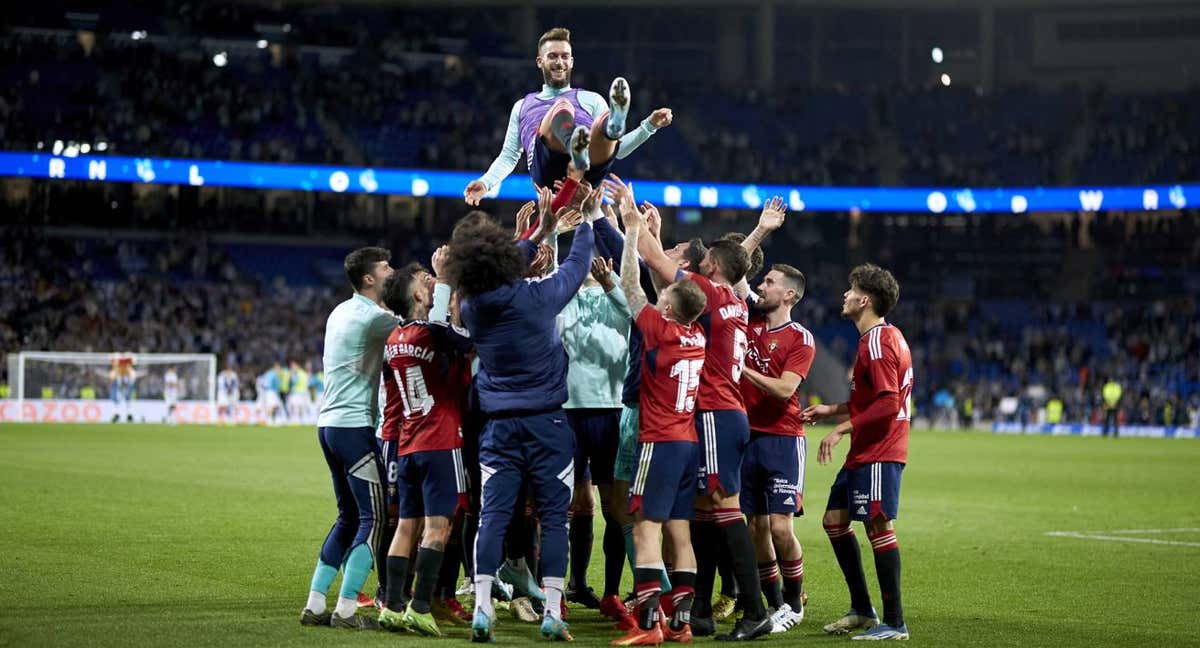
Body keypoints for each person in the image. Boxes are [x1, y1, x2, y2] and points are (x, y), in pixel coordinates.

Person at [615, 173, 775, 640]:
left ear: (715, 273)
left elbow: (649, 263)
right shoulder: (736, 301)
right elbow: (728, 264)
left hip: (711, 413)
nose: (699, 265)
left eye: (704, 262)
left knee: (724, 509)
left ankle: (755, 607)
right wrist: (759, 231)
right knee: (700, 513)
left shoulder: (711, 295)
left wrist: (631, 217)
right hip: (725, 413)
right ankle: (697, 609)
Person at [443, 202, 591, 642]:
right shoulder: (539, 297)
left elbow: (503, 267)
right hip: (547, 425)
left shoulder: (472, 306)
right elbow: (578, 266)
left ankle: (484, 607)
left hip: (498, 428)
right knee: (554, 519)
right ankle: (551, 611)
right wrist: (583, 222)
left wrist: (540, 230)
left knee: (493, 516)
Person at [609, 175, 708, 646]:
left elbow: (630, 285)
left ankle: (650, 628)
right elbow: (652, 288)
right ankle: (683, 622)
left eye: (664, 295)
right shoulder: (694, 334)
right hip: (689, 445)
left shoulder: (660, 330)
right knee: (680, 533)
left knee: (644, 527)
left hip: (660, 441)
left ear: (668, 304)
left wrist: (631, 230)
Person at [802, 263, 912, 641]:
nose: (844, 295)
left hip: (880, 450)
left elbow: (887, 403)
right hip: (864, 451)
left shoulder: (880, 341)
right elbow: (868, 400)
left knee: (878, 526)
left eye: (850, 290)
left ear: (864, 299)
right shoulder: (873, 340)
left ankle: (894, 622)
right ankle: (863, 610)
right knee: (834, 521)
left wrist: (840, 430)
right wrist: (831, 410)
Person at [300, 247, 397, 631]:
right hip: (355, 427)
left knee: (349, 516)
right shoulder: (374, 319)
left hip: (328, 425)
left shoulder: (340, 311)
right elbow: (420, 331)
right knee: (374, 518)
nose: (393, 271)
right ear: (369, 279)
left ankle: (315, 602)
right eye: (386, 267)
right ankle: (345, 610)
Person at [463, 26, 672, 204]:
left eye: (564, 57)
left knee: (602, 126)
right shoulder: (523, 105)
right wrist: (486, 182)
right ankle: (577, 147)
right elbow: (509, 156)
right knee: (562, 106)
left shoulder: (592, 99)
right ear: (539, 61)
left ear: (572, 62)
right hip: (547, 171)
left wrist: (649, 126)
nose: (559, 62)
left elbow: (618, 151)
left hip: (587, 172)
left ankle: (613, 126)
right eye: (552, 56)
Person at [376, 262, 473, 636]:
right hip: (440, 440)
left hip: (409, 444)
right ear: (418, 296)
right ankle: (419, 606)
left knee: (405, 527)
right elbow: (466, 343)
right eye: (424, 282)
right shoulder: (431, 332)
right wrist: (447, 276)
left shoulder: (394, 339)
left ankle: (392, 606)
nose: (430, 283)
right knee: (438, 529)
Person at [739, 264, 815, 635]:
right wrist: (763, 229)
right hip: (746, 436)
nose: (760, 286)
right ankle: (775, 604)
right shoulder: (749, 321)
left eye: (769, 282)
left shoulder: (800, 338)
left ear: (789, 295)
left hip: (783, 439)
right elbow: (735, 274)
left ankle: (795, 603)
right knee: (756, 528)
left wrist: (741, 369)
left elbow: (785, 390)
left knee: (780, 527)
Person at [559, 250, 632, 611]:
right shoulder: (565, 295)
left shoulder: (617, 294)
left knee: (614, 506)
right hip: (568, 411)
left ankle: (612, 593)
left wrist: (610, 283)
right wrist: (553, 231)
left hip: (610, 410)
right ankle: (570, 585)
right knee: (565, 503)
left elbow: (631, 314)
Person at [109, 352, 137, 423]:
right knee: (121, 399)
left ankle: (126, 414)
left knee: (125, 398)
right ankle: (120, 414)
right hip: (122, 380)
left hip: (124, 380)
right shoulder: (119, 368)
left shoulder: (127, 366)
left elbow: (133, 363)